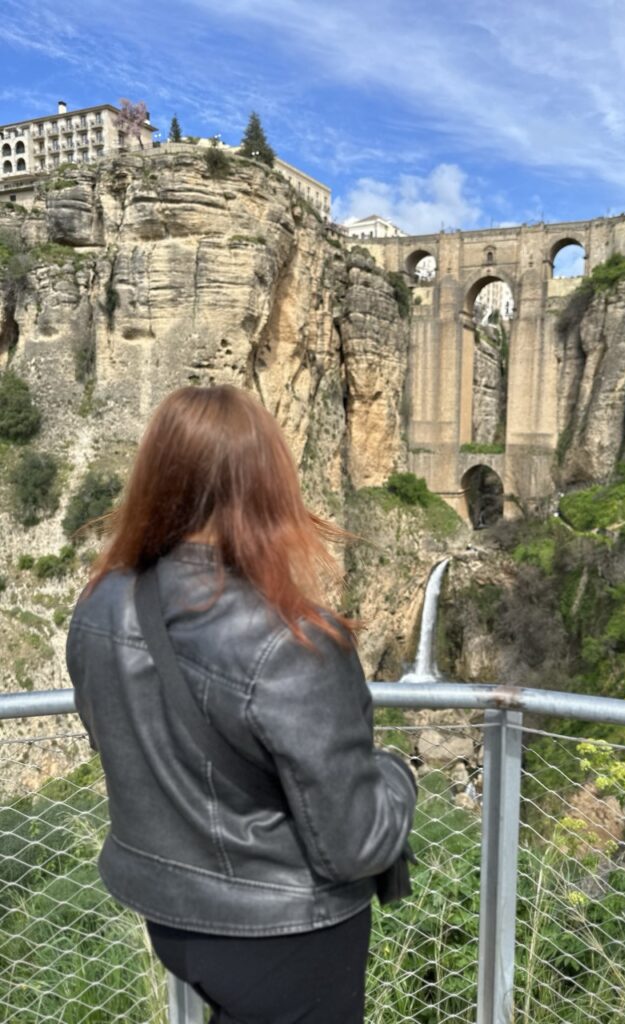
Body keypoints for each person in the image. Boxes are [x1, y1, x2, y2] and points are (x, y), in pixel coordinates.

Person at [66, 385, 417, 1024]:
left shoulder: (99, 604)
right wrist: (399, 774)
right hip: (285, 936)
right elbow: (357, 843)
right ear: (269, 486)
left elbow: (119, 740)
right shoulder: (293, 640)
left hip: (171, 916)